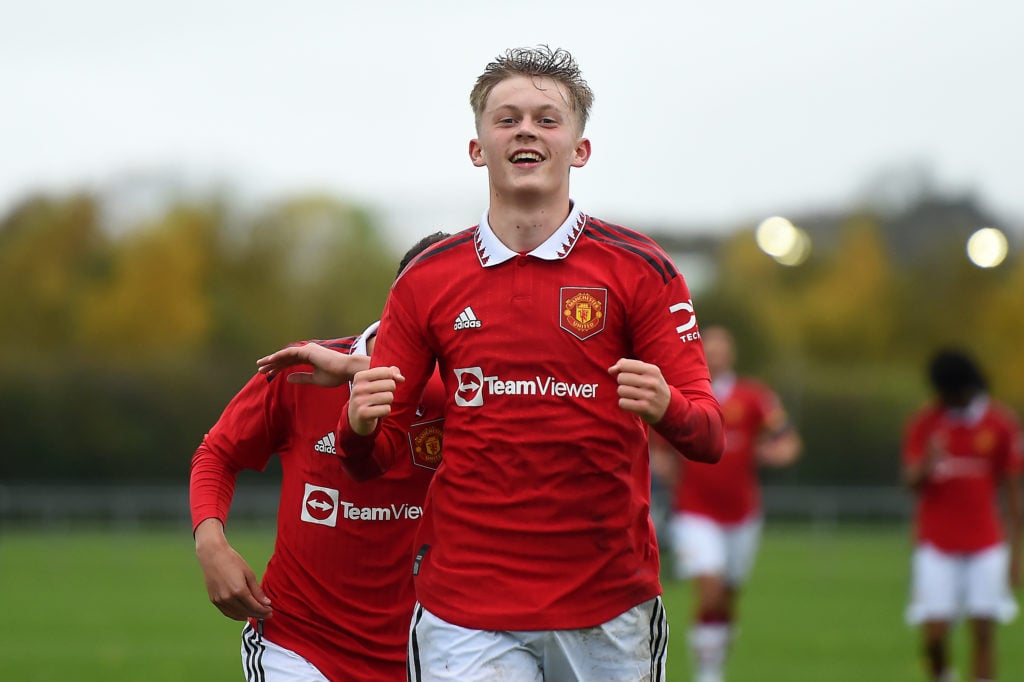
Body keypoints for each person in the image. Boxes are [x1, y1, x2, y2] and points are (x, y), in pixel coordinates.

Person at [258, 45, 724, 681]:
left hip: (608, 603)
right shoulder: (427, 279)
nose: (526, 129)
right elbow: (376, 456)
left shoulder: (642, 270)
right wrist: (358, 427)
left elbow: (710, 434)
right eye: (506, 119)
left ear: (579, 150)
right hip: (465, 612)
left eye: (546, 118)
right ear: (478, 148)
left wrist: (668, 407)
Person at [189, 232, 449, 682]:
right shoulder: (304, 373)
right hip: (299, 649)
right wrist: (211, 545)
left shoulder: (480, 394)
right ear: (399, 300)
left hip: (433, 656)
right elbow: (218, 452)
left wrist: (353, 368)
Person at [653, 324, 801, 682]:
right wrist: (675, 479)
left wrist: (770, 453)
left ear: (731, 354)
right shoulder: (681, 394)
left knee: (728, 597)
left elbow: (788, 441)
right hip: (694, 511)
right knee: (712, 588)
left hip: (742, 513)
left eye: (722, 348)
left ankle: (715, 662)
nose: (716, 355)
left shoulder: (754, 397)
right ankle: (708, 675)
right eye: (710, 348)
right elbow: (656, 449)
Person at [902, 348, 1022, 682]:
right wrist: (927, 461)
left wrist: (1016, 555)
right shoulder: (925, 423)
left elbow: (1014, 494)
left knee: (984, 632)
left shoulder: (1001, 424)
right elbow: (909, 482)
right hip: (936, 544)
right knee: (934, 634)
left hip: (985, 543)